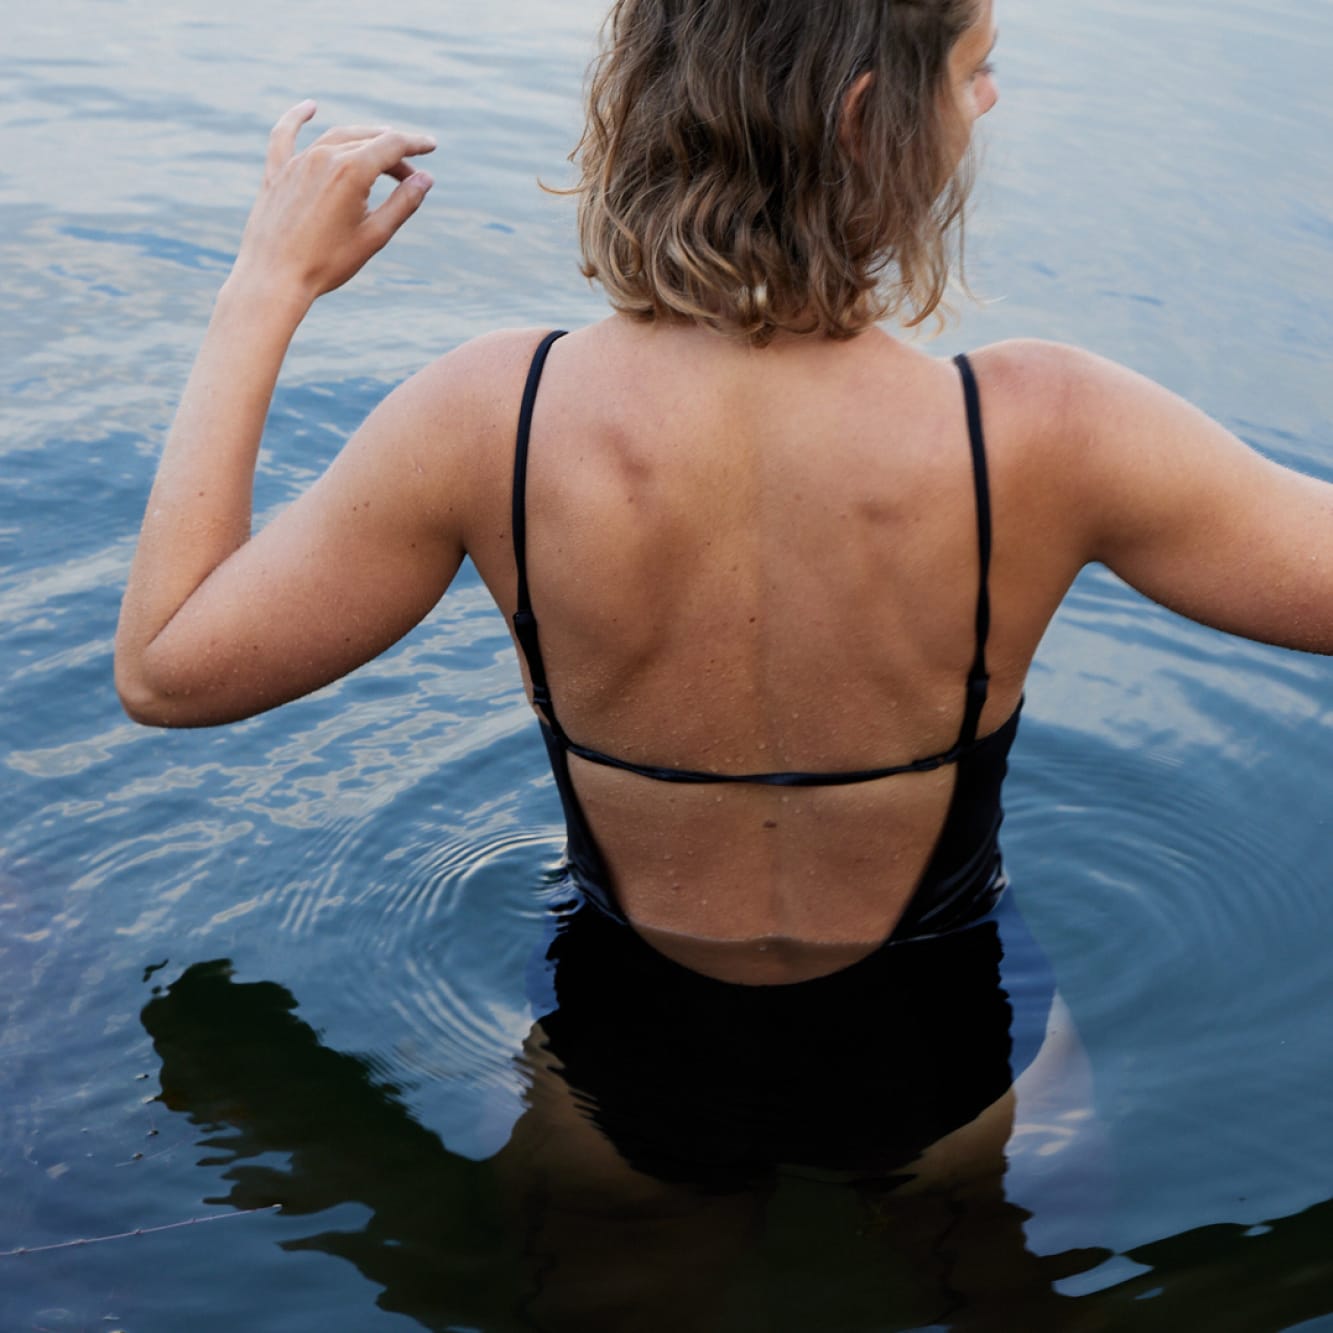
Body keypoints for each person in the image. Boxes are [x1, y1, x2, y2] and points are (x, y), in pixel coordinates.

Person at [115, 0, 1332, 1312]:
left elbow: (168, 669)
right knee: (988, 1287)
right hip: (945, 1042)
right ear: (869, 114)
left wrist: (266, 286)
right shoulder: (1042, 431)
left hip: (624, 1043)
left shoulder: (493, 416)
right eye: (977, 73)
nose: (986, 105)